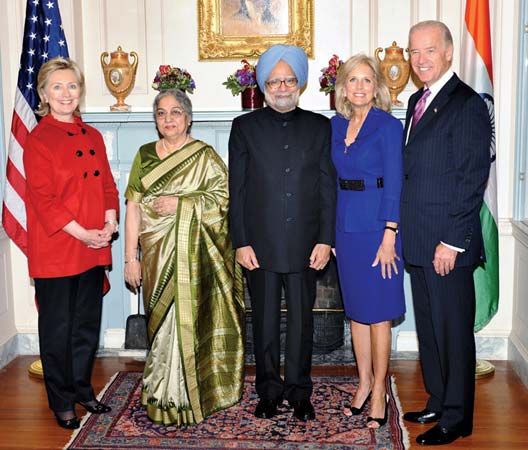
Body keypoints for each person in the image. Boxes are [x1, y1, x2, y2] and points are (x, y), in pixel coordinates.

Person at [124, 88, 245, 426]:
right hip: (154, 254)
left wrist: (182, 204)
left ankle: (191, 395)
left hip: (194, 258)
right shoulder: (144, 154)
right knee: (160, 324)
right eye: (161, 113)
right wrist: (130, 257)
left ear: (188, 118)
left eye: (175, 112)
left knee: (187, 320)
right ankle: (162, 393)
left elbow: (223, 200)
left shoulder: (204, 156)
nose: (168, 119)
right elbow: (133, 207)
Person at [228, 44, 336, 421]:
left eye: (290, 79)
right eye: (275, 80)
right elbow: (236, 190)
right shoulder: (244, 128)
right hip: (260, 245)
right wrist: (240, 241)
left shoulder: (321, 127)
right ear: (263, 85)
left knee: (303, 322)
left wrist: (326, 238)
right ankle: (269, 390)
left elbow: (327, 187)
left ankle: (300, 392)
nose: (283, 86)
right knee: (266, 322)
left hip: (307, 244)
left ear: (301, 84)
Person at [401, 20, 492, 446]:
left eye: (429, 51)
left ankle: (457, 419)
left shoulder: (467, 103)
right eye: (414, 52)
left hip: (447, 245)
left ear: (449, 53)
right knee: (431, 331)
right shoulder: (416, 101)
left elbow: (472, 178)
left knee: (453, 333)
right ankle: (438, 399)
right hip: (419, 242)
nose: (420, 60)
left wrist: (452, 241)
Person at [23, 57, 118, 429]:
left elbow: (108, 186)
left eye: (72, 86)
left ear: (80, 91)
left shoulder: (92, 136)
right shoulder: (38, 139)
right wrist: (84, 233)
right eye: (57, 87)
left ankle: (81, 387)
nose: (66, 94)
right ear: (44, 94)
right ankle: (60, 400)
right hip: (58, 248)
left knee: (86, 326)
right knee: (58, 330)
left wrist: (109, 223)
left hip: (94, 244)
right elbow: (44, 200)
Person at [331, 54, 405, 429]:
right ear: (343, 87)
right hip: (345, 229)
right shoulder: (335, 125)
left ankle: (379, 392)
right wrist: (330, 234)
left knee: (379, 315)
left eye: (366, 80)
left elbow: (395, 182)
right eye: (352, 80)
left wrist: (390, 234)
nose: (359, 86)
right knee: (357, 313)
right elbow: (329, 182)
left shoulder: (389, 127)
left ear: (376, 87)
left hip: (379, 229)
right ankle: (361, 384)